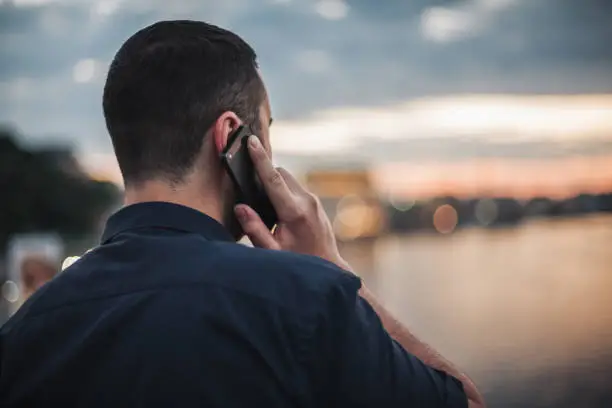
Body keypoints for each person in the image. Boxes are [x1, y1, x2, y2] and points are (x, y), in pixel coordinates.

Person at [0, 20, 485, 408]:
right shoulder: (306, 300)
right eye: (266, 133)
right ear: (231, 137)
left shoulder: (21, 337)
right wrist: (334, 271)